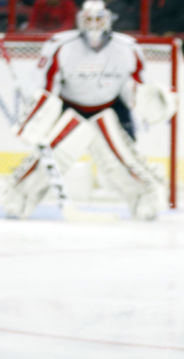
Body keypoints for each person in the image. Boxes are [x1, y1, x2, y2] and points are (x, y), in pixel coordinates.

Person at [1, 1, 174, 220]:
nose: (94, 25)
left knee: (121, 159)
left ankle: (145, 198)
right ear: (80, 19)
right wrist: (37, 120)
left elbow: (134, 89)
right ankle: (19, 197)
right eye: (88, 19)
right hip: (69, 106)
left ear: (109, 19)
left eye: (99, 18)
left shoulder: (127, 49)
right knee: (51, 156)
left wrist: (147, 101)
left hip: (109, 108)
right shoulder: (60, 46)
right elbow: (48, 89)